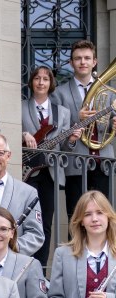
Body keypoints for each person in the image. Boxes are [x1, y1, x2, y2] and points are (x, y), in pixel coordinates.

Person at [50, 39, 115, 219]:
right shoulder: (59, 93)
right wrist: (76, 119)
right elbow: (56, 132)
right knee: (77, 216)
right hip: (76, 162)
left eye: (87, 58)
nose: (82, 62)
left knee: (105, 215)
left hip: (104, 162)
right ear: (71, 63)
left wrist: (114, 125)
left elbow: (110, 127)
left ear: (94, 62)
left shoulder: (108, 92)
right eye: (78, 58)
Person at [22, 66, 74, 266]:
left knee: (46, 224)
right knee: (28, 221)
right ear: (32, 82)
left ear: (51, 83)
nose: (41, 82)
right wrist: (23, 134)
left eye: (45, 79)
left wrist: (71, 140)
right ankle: (25, 265)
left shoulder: (62, 113)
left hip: (50, 173)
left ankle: (40, 269)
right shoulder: (20, 106)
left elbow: (66, 149)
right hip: (28, 173)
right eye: (37, 78)